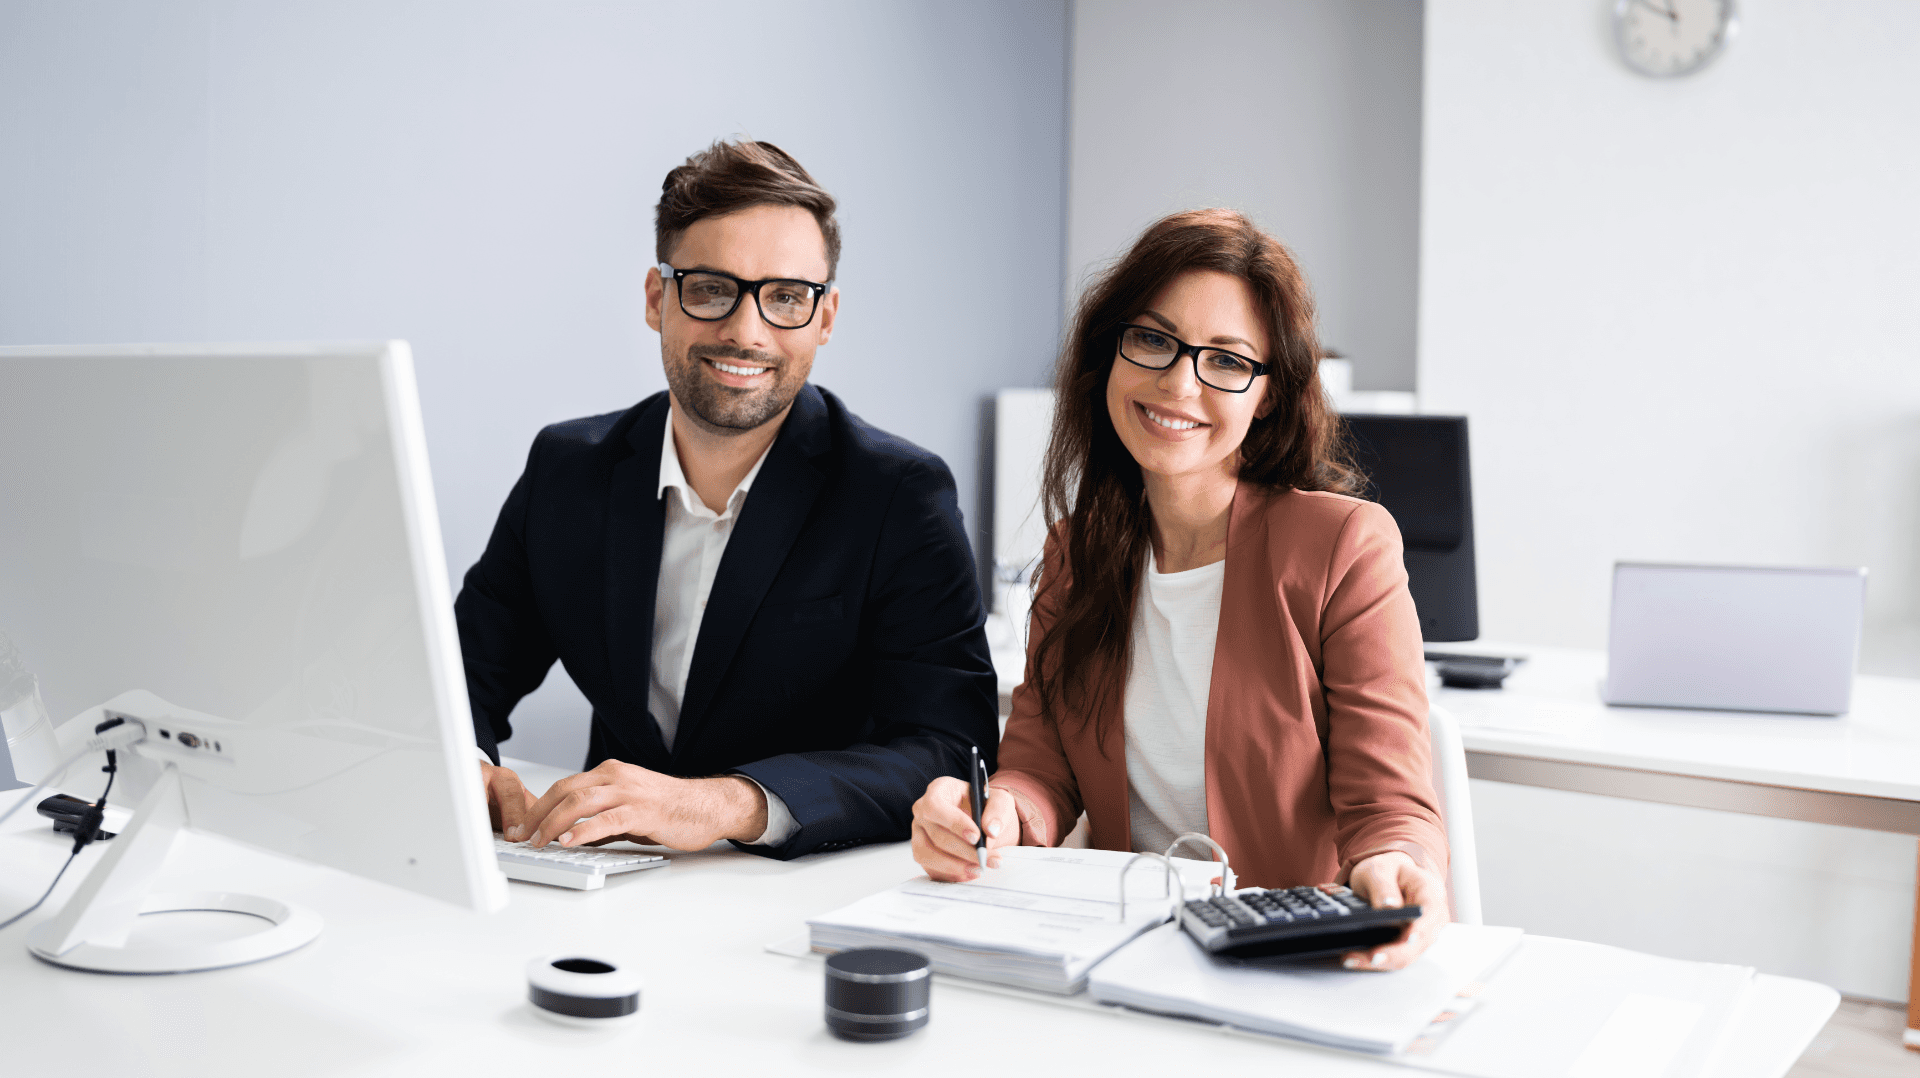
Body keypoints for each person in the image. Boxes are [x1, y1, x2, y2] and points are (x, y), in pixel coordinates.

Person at [909, 209, 1449, 970]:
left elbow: (1389, 802)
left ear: (1266, 393)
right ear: (1112, 352)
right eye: (1155, 340)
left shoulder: (1343, 547)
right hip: (1134, 953)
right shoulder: (1076, 553)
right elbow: (1039, 768)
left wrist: (1397, 862)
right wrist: (990, 813)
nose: (1178, 382)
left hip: (1290, 961)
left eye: (1226, 360)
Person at [457, 139, 996, 859]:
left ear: (825, 318)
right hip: (605, 879)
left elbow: (949, 748)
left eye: (786, 298)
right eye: (711, 288)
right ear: (657, 299)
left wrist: (725, 803)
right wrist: (467, 765)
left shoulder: (899, 496)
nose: (746, 331)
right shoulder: (567, 470)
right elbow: (455, 672)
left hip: (803, 893)